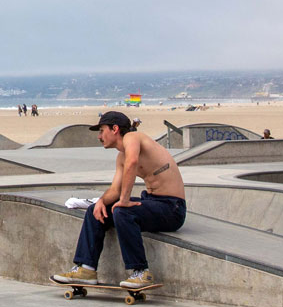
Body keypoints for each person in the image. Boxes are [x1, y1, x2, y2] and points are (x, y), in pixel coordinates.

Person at [52, 111, 186, 289]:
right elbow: (115, 190)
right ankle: (86, 269)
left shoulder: (132, 137)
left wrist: (123, 200)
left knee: (122, 211)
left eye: (101, 130)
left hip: (172, 208)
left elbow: (132, 163)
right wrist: (100, 201)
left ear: (115, 129)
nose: (99, 137)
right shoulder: (121, 157)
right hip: (153, 202)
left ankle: (141, 272)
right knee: (95, 210)